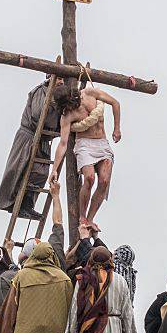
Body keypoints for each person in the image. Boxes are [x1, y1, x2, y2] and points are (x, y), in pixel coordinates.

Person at [49, 79, 122, 231]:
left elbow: (115, 103)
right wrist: (54, 169)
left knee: (104, 181)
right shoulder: (67, 116)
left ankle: (90, 218)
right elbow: (63, 143)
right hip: (84, 145)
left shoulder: (90, 93)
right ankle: (82, 216)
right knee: (89, 178)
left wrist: (116, 128)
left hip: (102, 143)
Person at [0, 79, 62, 220]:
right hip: (30, 136)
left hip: (43, 139)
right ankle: (18, 204)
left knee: (41, 173)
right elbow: (38, 114)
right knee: (21, 169)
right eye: (59, 78)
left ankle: (27, 205)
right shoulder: (41, 91)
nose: (61, 82)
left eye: (63, 79)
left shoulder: (60, 95)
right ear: (50, 77)